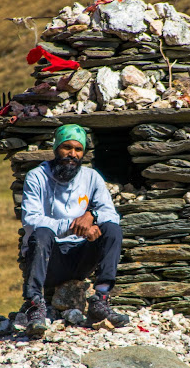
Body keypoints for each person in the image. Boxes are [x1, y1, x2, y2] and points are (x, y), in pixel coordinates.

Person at [19, 124, 130, 336]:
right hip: (51, 260)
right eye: (66, 147)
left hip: (81, 257)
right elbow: (31, 220)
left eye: (78, 150)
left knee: (112, 229)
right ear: (55, 148)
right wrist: (73, 226)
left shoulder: (91, 177)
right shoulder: (36, 177)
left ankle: (101, 301)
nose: (72, 154)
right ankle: (34, 306)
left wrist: (92, 216)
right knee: (41, 232)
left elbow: (110, 213)